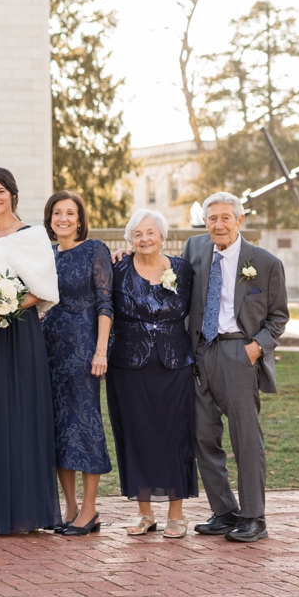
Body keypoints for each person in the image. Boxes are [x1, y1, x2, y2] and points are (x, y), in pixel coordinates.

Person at [185, 191, 289, 544]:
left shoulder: (265, 262)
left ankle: (253, 517)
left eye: (225, 218)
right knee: (202, 435)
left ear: (240, 221)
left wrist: (255, 348)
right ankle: (225, 510)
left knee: (245, 437)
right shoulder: (195, 250)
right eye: (212, 218)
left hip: (238, 354)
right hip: (201, 353)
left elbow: (278, 317)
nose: (218, 225)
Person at [0, 167, 60, 535]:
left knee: (17, 414)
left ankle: (23, 510)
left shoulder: (32, 235)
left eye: (0, 191)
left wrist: (5, 305)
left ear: (13, 194)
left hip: (17, 334)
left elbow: (42, 289)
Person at [107, 208, 195, 539]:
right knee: (136, 434)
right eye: (138, 234)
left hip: (175, 362)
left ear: (162, 236)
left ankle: (176, 513)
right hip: (128, 364)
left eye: (150, 233)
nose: (145, 239)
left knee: (177, 435)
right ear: (130, 240)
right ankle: (144, 514)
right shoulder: (118, 267)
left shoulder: (184, 270)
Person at [42, 190, 113, 537]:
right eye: (58, 213)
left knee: (85, 426)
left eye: (70, 213)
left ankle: (90, 509)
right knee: (59, 428)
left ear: (80, 219)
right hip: (49, 350)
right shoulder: (48, 254)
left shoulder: (94, 250)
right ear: (50, 218)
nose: (64, 219)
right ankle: (69, 506)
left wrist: (100, 351)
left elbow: (105, 303)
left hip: (84, 350)